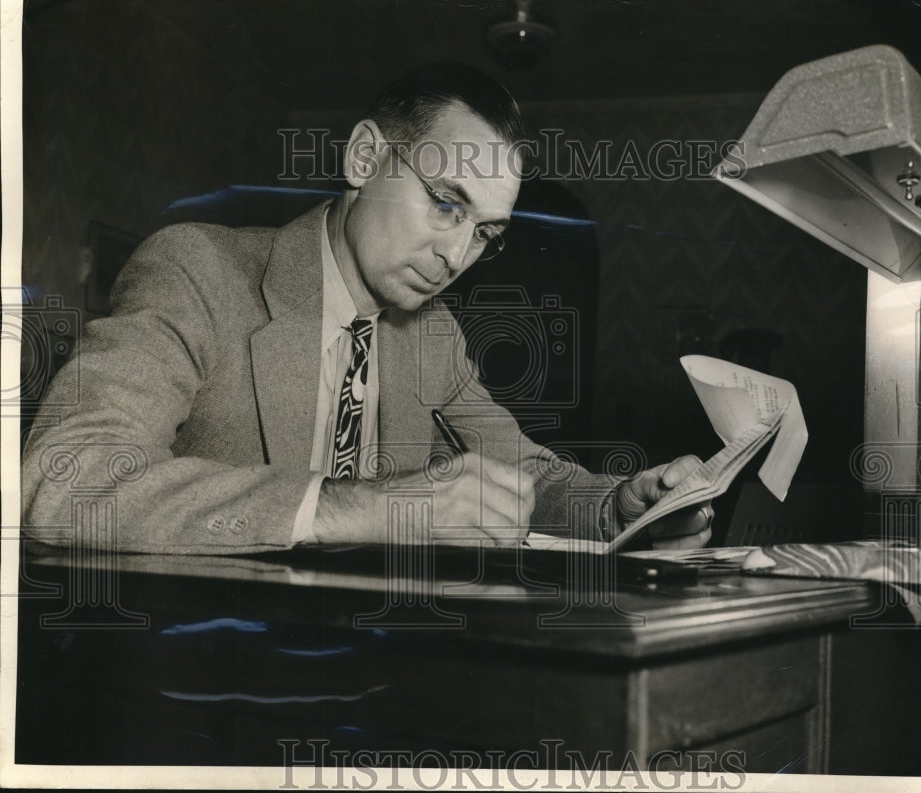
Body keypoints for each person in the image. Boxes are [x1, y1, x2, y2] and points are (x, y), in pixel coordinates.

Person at [21, 63, 712, 554]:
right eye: (445, 202)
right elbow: (61, 476)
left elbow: (523, 474)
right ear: (363, 157)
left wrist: (620, 505)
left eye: (485, 234)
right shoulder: (197, 270)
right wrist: (364, 508)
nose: (456, 254)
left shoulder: (432, 333)